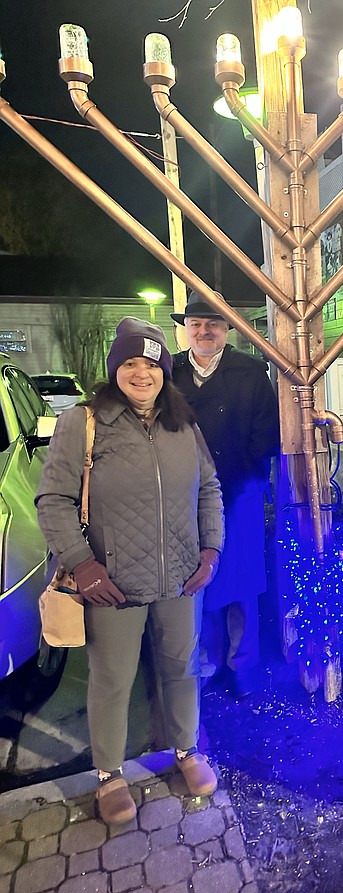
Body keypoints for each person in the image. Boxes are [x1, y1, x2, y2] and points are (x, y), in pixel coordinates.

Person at [36, 318, 224, 825]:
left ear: (165, 369)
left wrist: (211, 551)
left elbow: (209, 488)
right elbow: (53, 500)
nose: (142, 374)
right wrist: (84, 564)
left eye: (152, 364)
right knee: (113, 678)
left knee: (182, 669)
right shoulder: (84, 423)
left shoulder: (182, 423)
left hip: (182, 579)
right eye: (130, 363)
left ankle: (185, 751)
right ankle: (109, 774)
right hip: (112, 584)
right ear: (115, 368)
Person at [171, 290, 279, 697]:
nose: (204, 331)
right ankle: (206, 661)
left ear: (227, 329)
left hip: (239, 492)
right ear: (185, 330)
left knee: (243, 579)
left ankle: (243, 662)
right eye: (196, 324)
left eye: (213, 324)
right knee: (197, 578)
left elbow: (266, 431)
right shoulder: (171, 373)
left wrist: (248, 476)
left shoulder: (250, 372)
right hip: (185, 495)